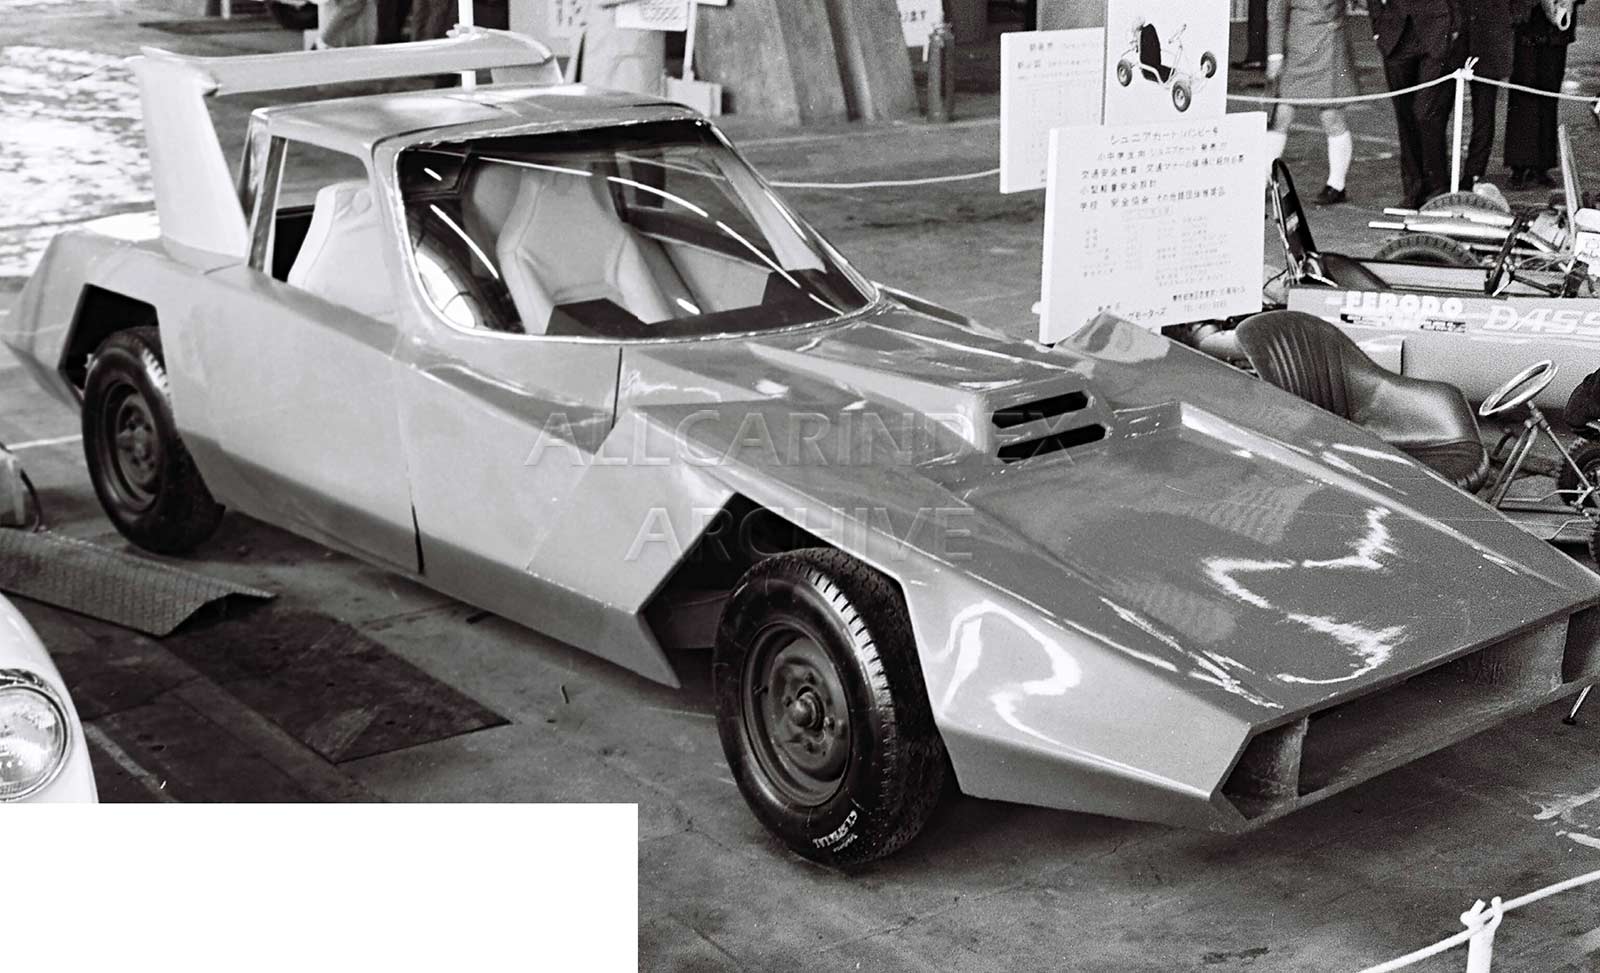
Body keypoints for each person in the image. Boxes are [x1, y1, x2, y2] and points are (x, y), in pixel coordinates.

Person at [1264, 0, 1360, 205]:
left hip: (1330, 47)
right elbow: (1276, 16)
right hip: (1297, 51)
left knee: (1331, 117)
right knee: (1281, 116)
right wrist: (1275, 55)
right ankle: (1264, 181)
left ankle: (1336, 185)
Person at [1371, 0, 1459, 207]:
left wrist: (1455, 24)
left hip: (1437, 28)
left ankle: (1438, 188)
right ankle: (1414, 190)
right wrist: (1377, 25)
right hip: (1395, 34)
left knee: (1425, 112)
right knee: (1405, 116)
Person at [1505, 0, 1584, 187]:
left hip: (1556, 30)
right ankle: (1519, 165)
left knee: (1549, 95)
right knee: (1523, 94)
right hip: (1526, 25)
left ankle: (1542, 165)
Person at [1460, 0, 1514, 187]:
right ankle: (1437, 177)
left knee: (1484, 113)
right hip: (1453, 37)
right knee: (1435, 111)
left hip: (1489, 39)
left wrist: (1511, 15)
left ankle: (1473, 171)